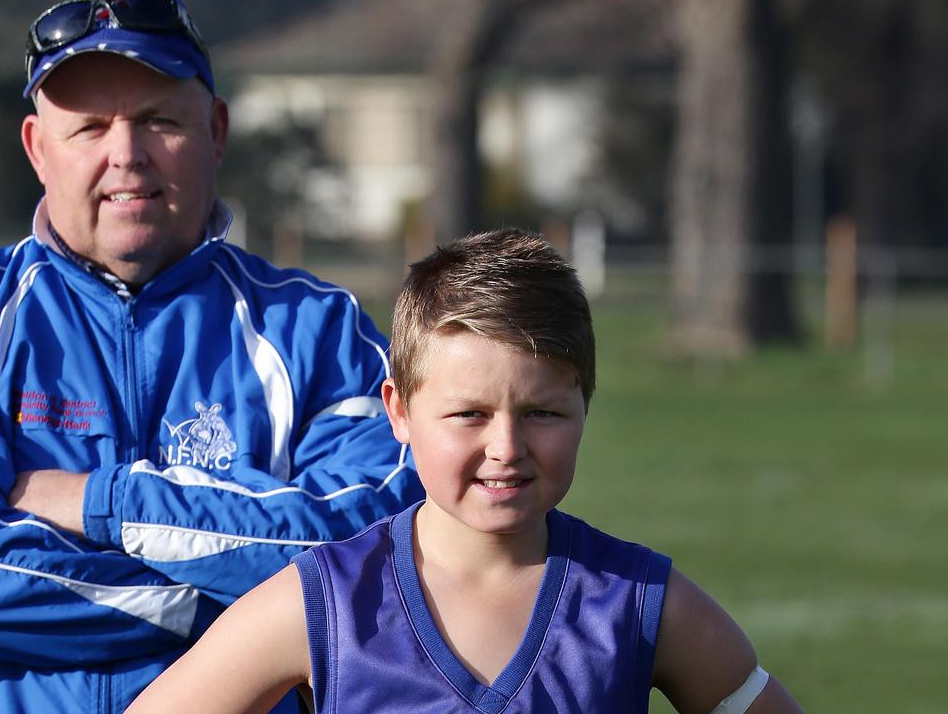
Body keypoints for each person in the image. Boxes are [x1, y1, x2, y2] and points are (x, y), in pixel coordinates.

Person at [0, 0, 422, 711]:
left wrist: (101, 504)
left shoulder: (320, 331)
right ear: (37, 149)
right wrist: (248, 617)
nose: (125, 154)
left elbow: (370, 558)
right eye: (89, 127)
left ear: (215, 132)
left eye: (158, 120)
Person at [127, 229, 804, 714]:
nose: (506, 446)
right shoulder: (323, 603)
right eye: (469, 415)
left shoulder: (639, 601)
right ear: (399, 411)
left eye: (542, 413)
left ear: (585, 403)